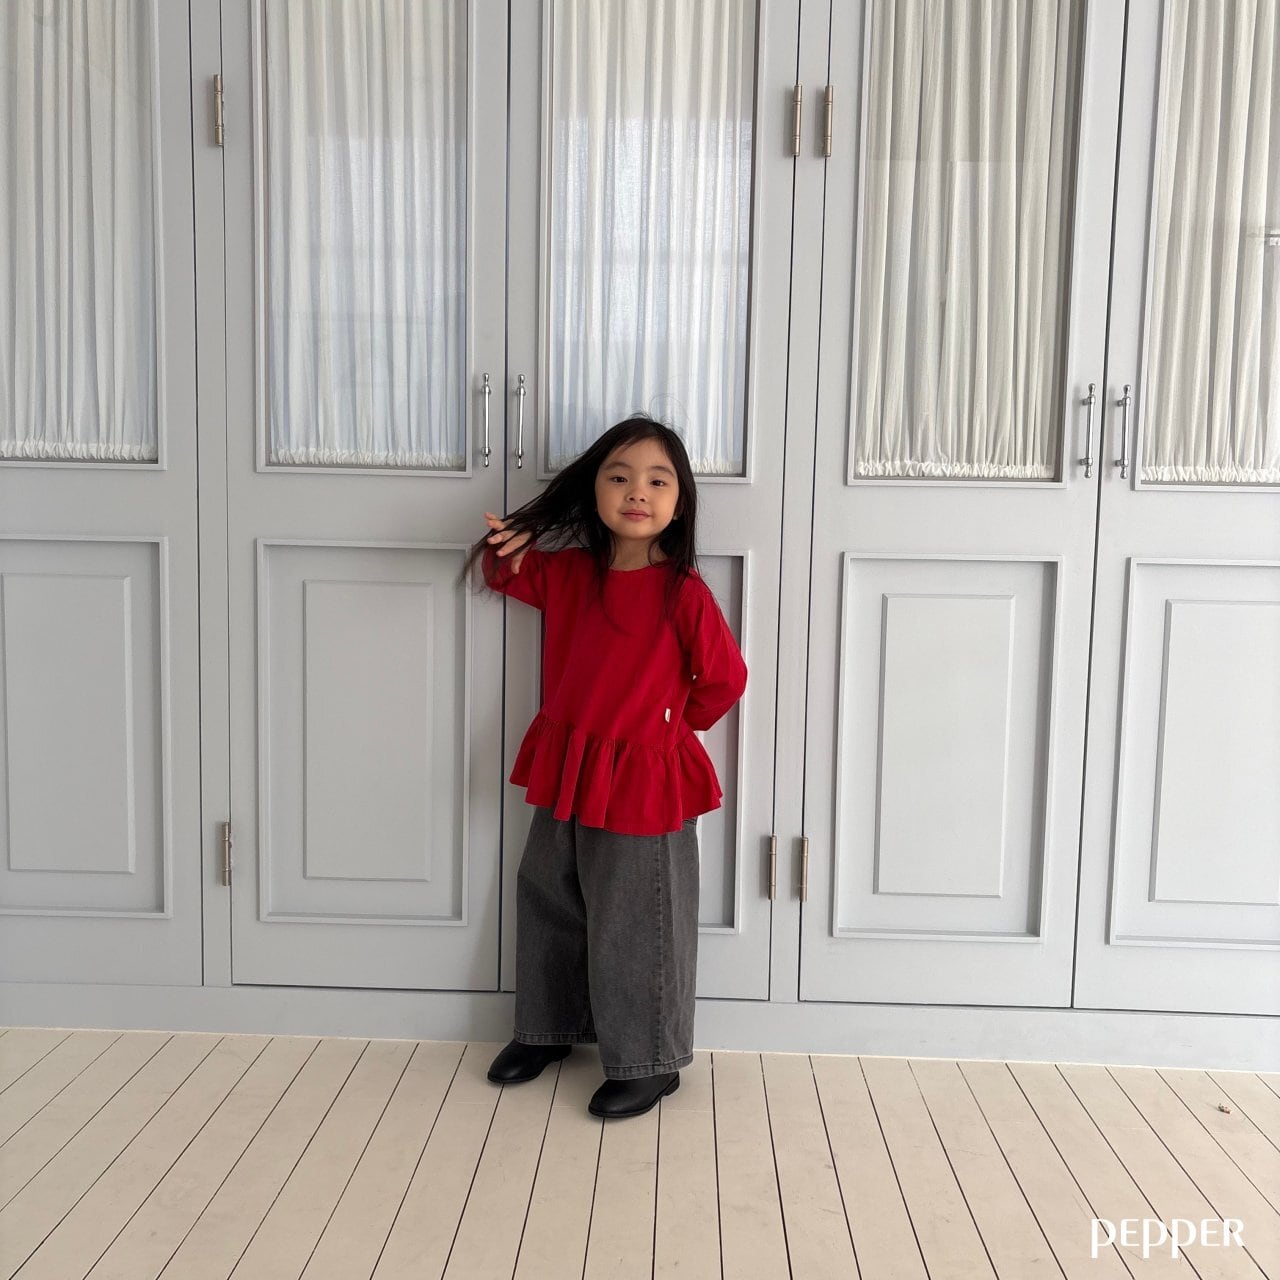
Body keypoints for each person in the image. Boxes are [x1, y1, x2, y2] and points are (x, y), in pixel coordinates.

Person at [460, 415, 747, 1119]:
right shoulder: (571, 574)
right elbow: (506, 574)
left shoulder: (682, 592)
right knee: (549, 893)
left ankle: (649, 1060)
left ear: (679, 501)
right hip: (571, 764)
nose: (637, 492)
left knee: (636, 919)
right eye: (619, 477)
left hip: (643, 777)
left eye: (657, 480)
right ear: (594, 490)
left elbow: (724, 680)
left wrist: (670, 729)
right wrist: (507, 543)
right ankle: (549, 1027)